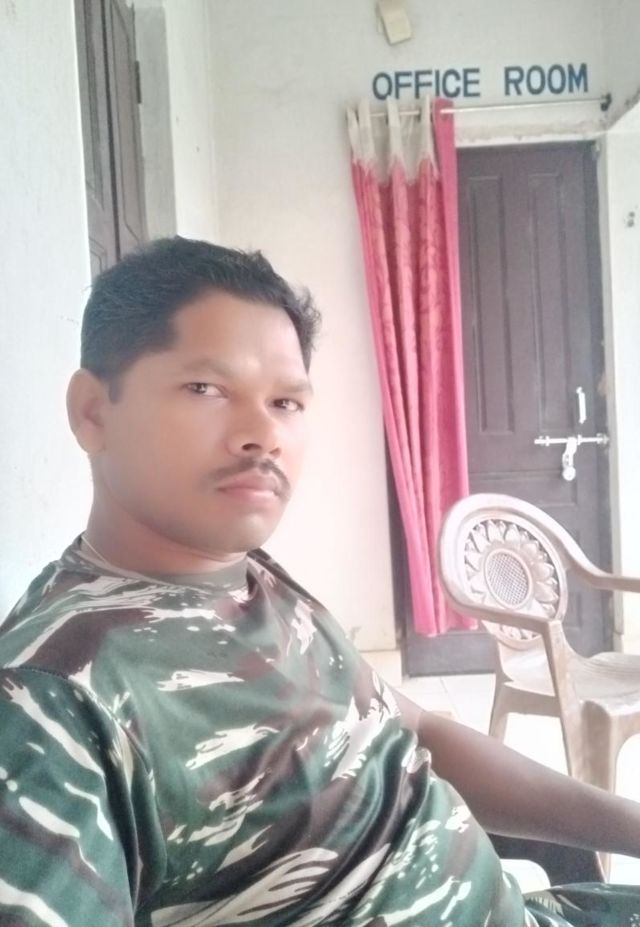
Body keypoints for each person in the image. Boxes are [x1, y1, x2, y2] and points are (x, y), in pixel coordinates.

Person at [0, 237, 638, 927]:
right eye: (206, 388)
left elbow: (417, 727)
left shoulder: (249, 574)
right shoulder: (49, 705)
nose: (262, 434)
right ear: (93, 412)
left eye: (285, 401)